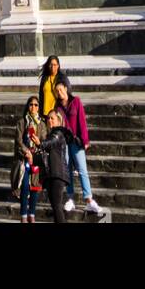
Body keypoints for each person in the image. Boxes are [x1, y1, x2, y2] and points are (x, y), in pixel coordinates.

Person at [54, 79, 103, 215]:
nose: (59, 93)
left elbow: (82, 121)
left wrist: (85, 140)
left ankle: (89, 200)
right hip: (64, 142)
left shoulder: (76, 101)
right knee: (67, 171)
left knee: (82, 169)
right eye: (57, 91)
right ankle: (70, 199)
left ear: (66, 88)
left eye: (61, 89)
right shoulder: (57, 107)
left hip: (76, 141)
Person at [11, 96, 47, 224]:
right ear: (28, 106)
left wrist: (36, 149)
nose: (33, 107)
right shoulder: (22, 122)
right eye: (31, 104)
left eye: (36, 105)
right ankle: (23, 216)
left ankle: (32, 214)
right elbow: (18, 141)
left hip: (36, 159)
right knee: (25, 186)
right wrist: (27, 152)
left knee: (35, 187)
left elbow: (43, 142)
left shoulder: (42, 124)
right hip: (23, 160)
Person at [36, 110, 72, 224]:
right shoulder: (50, 134)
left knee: (57, 205)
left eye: (52, 118)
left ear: (59, 121)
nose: (49, 120)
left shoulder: (58, 133)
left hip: (58, 174)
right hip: (52, 173)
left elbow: (49, 142)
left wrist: (39, 143)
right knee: (56, 207)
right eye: (48, 118)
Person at [38, 55, 69, 119]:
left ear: (58, 66)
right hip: (45, 113)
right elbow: (41, 95)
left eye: (55, 65)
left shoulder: (62, 78)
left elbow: (67, 94)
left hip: (57, 114)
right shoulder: (45, 78)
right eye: (51, 65)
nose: (52, 67)